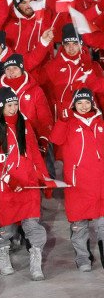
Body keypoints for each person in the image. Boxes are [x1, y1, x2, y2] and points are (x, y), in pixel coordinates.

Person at [0, 87, 50, 280]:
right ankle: (2, 252)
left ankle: (36, 263)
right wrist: (9, 179)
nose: (13, 109)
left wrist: (44, 178)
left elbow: (34, 153)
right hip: (5, 187)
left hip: (27, 185)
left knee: (32, 225)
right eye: (9, 105)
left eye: (16, 105)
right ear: (1, 107)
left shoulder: (24, 124)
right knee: (7, 227)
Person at [49, 88, 104, 271]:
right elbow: (55, 140)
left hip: (99, 181)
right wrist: (63, 120)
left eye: (87, 102)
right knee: (78, 223)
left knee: (102, 222)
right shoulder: (69, 122)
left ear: (92, 103)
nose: (83, 106)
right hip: (77, 182)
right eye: (79, 103)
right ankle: (82, 258)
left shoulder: (99, 122)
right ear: (73, 104)